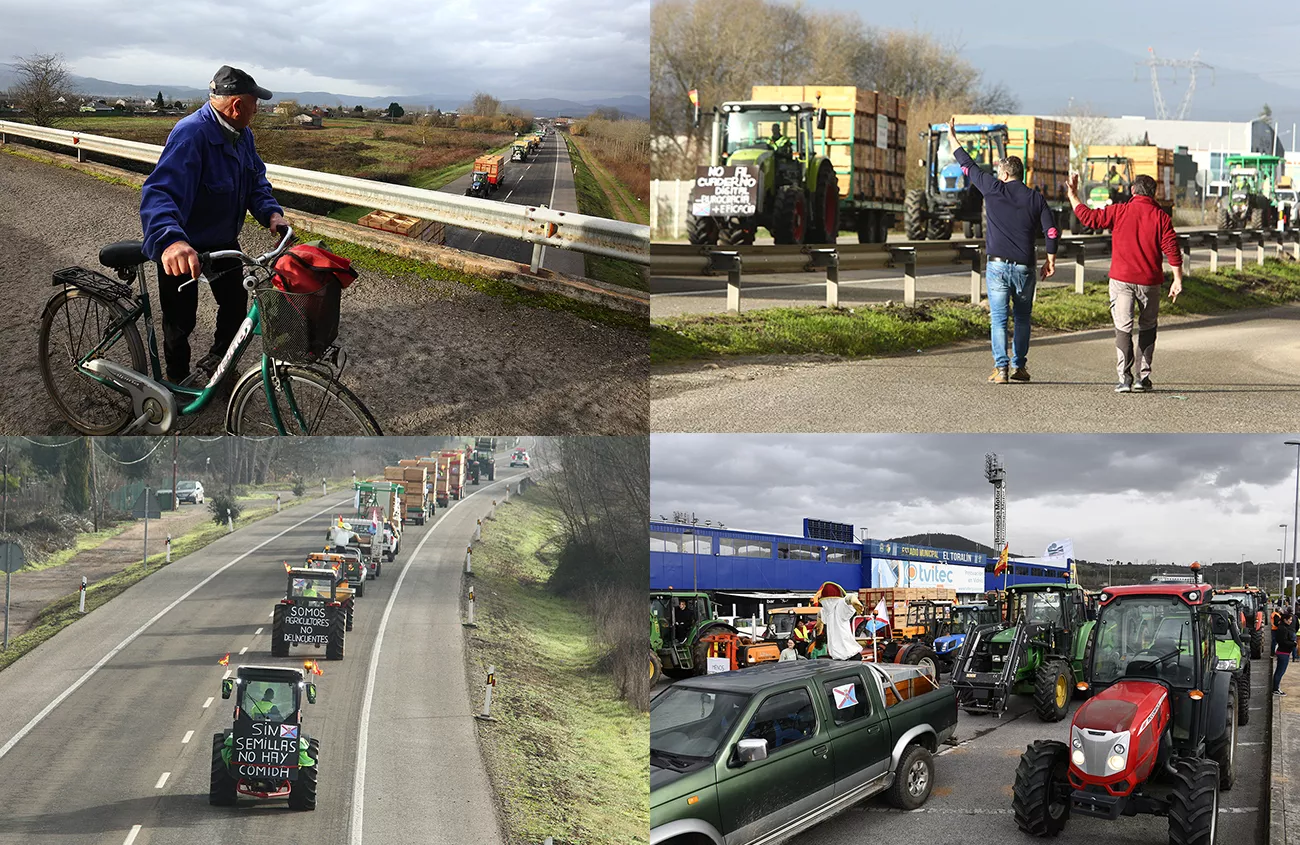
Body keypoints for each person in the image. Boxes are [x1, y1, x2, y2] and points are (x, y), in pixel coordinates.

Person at [140, 65, 287, 385]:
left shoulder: (241, 134)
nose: (257, 109)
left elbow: (254, 181)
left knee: (235, 307)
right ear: (237, 106)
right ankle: (176, 382)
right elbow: (160, 191)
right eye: (255, 102)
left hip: (222, 241)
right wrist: (170, 241)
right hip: (186, 245)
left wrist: (270, 212)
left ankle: (218, 365)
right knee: (180, 322)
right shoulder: (191, 133)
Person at [947, 118, 1058, 385]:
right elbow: (1051, 231)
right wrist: (1050, 259)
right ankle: (1019, 366)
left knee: (998, 320)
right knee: (1022, 318)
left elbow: (966, 164)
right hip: (1024, 267)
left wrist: (952, 135)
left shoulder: (993, 188)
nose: (997, 176)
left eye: (999, 172)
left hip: (997, 267)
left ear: (1005, 174)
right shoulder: (1036, 198)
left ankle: (1002, 369)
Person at [1068, 172, 1183, 393]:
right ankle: (1142, 379)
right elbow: (1172, 249)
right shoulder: (1161, 217)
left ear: (1132, 190)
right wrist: (1177, 279)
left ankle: (1125, 379)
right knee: (1148, 327)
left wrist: (1073, 194)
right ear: (1154, 193)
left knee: (1123, 327)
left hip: (1121, 280)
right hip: (1150, 282)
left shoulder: (1119, 211)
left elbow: (1089, 218)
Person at [1274, 608, 1297, 695]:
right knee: (1280, 672)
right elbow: (1282, 641)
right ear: (1285, 620)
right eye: (1290, 620)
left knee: (1279, 671)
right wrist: (1293, 644)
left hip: (1283, 652)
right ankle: (1276, 689)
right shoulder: (1283, 629)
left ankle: (1276, 687)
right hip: (1283, 653)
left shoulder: (1282, 627)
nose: (1291, 622)